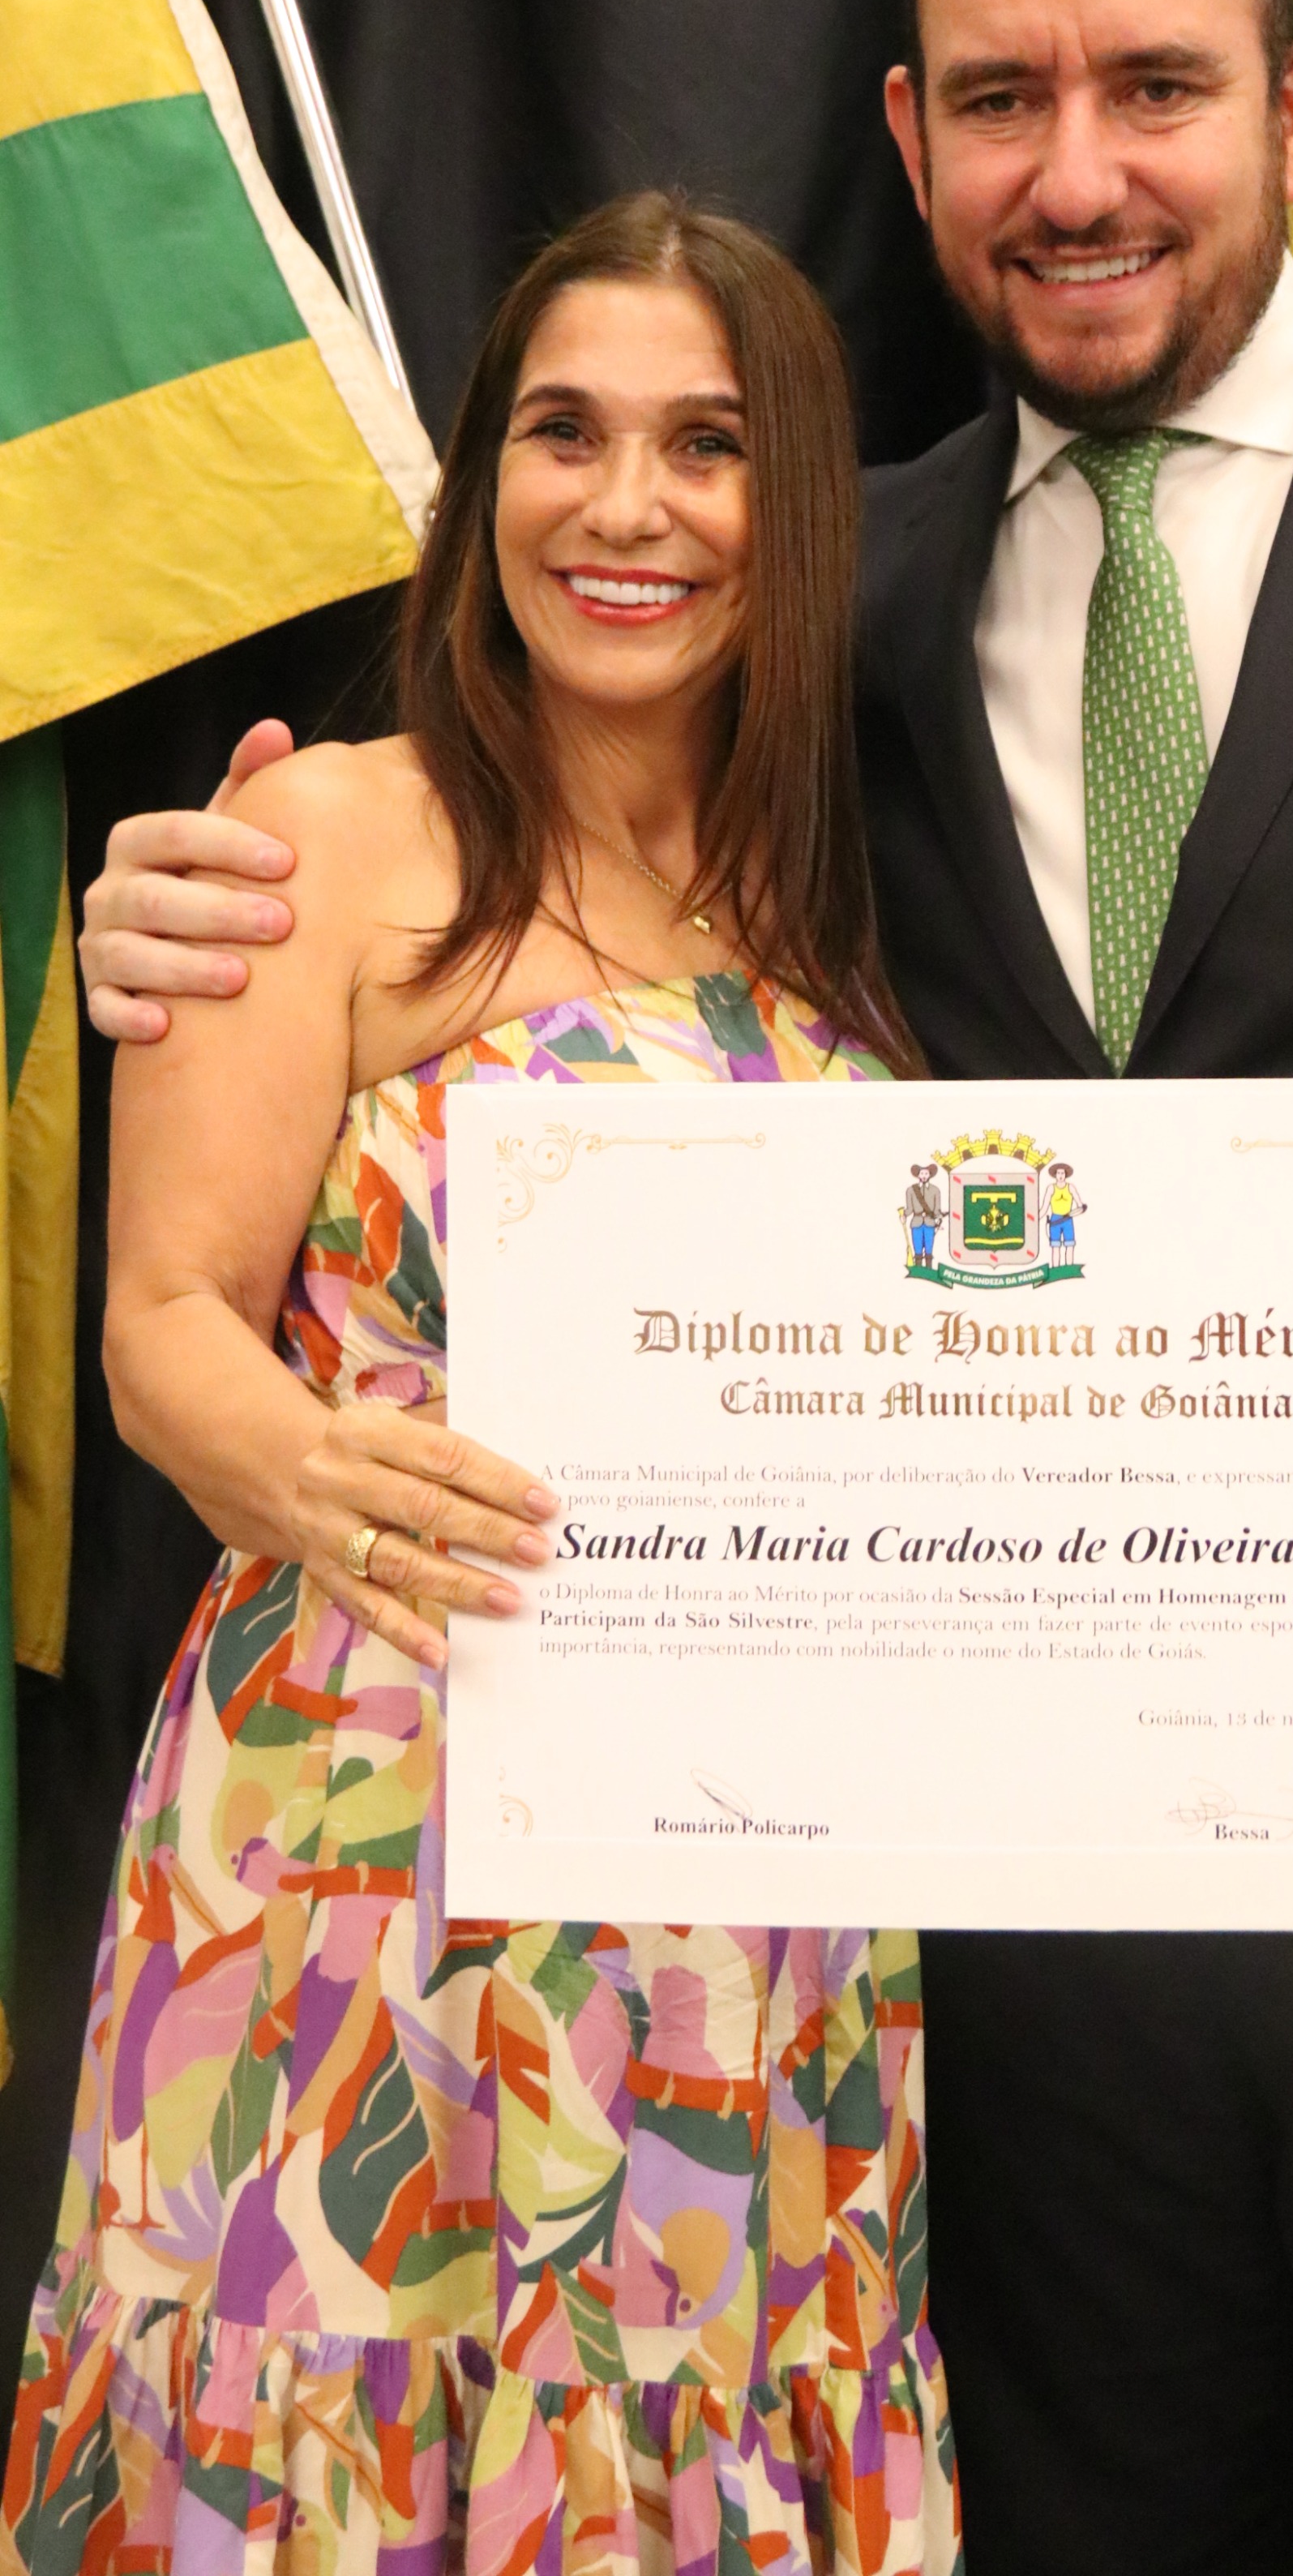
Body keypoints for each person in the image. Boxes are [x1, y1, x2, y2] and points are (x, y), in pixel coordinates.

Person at [79, 0, 1293, 2574]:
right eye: (1001, 100)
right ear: (914, 137)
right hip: (1008, 1904)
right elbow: (520, 905)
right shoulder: (829, 597)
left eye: (1155, 86)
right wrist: (170, 913)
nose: (1079, 171)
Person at [13, 197, 956, 2576]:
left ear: (796, 500)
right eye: (564, 432)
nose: (626, 505)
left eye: (705, 445)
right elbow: (163, 1329)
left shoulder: (841, 900)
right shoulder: (328, 835)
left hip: (747, 1894)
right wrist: (339, 1479)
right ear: (485, 476)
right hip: (363, 1841)